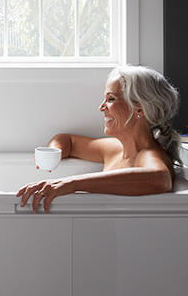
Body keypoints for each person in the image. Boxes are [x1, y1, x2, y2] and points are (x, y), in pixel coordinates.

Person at [16, 65, 182, 213]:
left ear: (139, 109)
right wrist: (55, 152)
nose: (101, 107)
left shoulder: (148, 154)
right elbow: (67, 141)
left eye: (111, 99)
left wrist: (71, 183)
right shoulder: (115, 149)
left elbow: (161, 179)